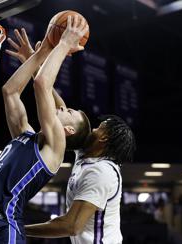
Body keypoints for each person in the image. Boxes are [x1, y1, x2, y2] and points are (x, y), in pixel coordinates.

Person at [0, 16, 90, 244]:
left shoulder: (56, 146)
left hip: (5, 227)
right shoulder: (25, 135)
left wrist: (62, 43)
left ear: (69, 130)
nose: (62, 106)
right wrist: (39, 53)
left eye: (69, 111)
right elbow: (10, 91)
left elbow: (42, 84)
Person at [7, 26, 136, 244]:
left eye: (98, 128)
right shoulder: (86, 154)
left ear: (104, 139)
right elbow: (55, 105)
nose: (93, 129)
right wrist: (33, 61)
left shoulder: (101, 172)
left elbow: (71, 226)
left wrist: (15, 227)